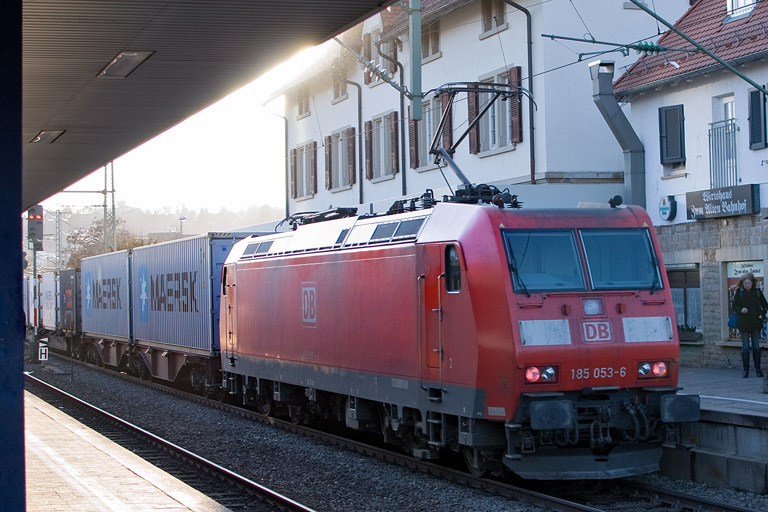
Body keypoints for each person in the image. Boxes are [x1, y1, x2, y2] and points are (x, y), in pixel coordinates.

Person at [731, 273, 768, 378]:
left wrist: (761, 313)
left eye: (748, 283)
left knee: (756, 347)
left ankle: (758, 370)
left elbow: (765, 306)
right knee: (745, 347)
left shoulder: (757, 292)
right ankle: (745, 370)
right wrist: (741, 310)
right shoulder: (739, 292)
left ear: (752, 283)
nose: (747, 285)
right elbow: (734, 306)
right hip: (744, 323)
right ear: (743, 284)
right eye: (745, 283)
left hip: (755, 323)